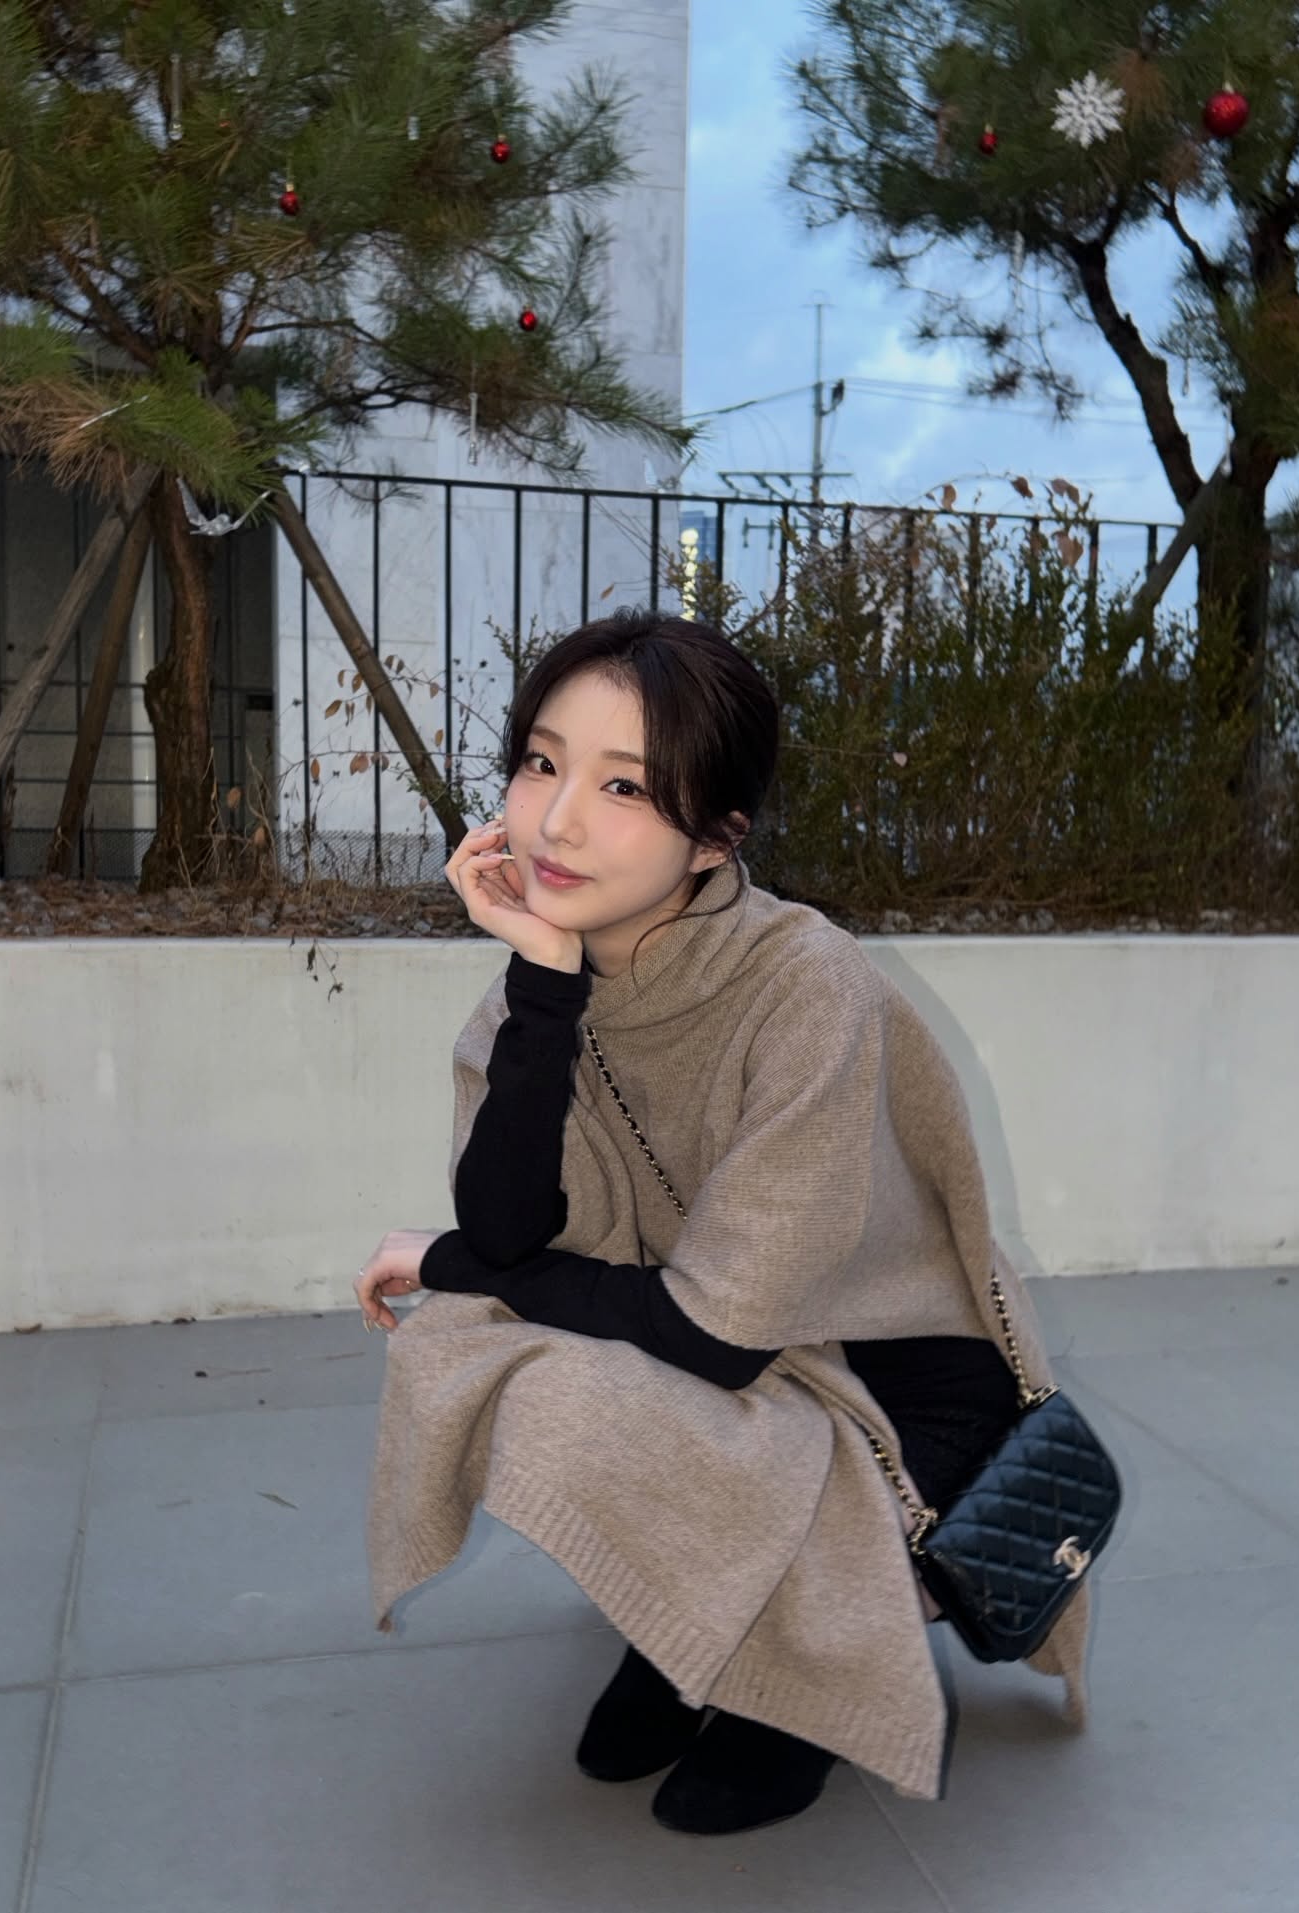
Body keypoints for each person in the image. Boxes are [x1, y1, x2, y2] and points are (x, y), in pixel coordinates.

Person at [357, 609, 1089, 1837]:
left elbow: (714, 1332)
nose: (556, 819)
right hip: (737, 1342)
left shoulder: (806, 981)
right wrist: (544, 983)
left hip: (897, 1385)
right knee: (469, 1352)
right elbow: (513, 1225)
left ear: (714, 837)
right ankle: (698, 1617)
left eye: (625, 785)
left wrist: (447, 1259)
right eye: (541, 761)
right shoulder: (534, 988)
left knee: (532, 1350)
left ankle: (795, 1673)